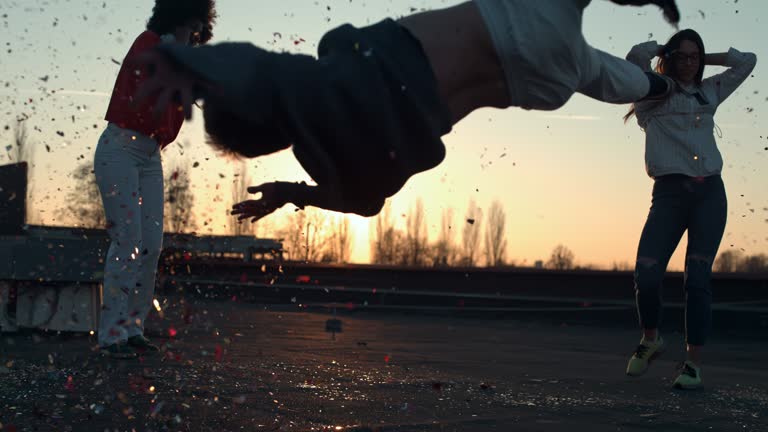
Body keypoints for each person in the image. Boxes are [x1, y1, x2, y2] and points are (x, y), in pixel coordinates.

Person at [133, 0, 680, 223]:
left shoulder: (338, 162)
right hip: (501, 27)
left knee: (599, 72)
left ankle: (651, 83)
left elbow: (364, 206)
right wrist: (183, 60)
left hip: (533, 81)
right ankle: (653, 79)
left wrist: (291, 193)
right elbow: (259, 69)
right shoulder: (317, 85)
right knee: (589, 52)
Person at [623, 29, 756, 389]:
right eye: (681, 57)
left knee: (697, 279)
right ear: (669, 59)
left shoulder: (709, 90)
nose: (688, 63)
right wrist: (667, 51)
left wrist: (700, 56)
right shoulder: (652, 96)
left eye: (693, 57)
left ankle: (692, 365)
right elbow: (636, 57)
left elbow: (747, 61)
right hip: (669, 195)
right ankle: (651, 339)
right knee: (647, 273)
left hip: (709, 194)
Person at [94, 0, 217, 359]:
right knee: (128, 239)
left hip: (150, 155)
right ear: (182, 16)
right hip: (120, 147)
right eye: (193, 24)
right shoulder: (148, 43)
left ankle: (133, 329)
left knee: (150, 244)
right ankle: (111, 336)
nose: (195, 33)